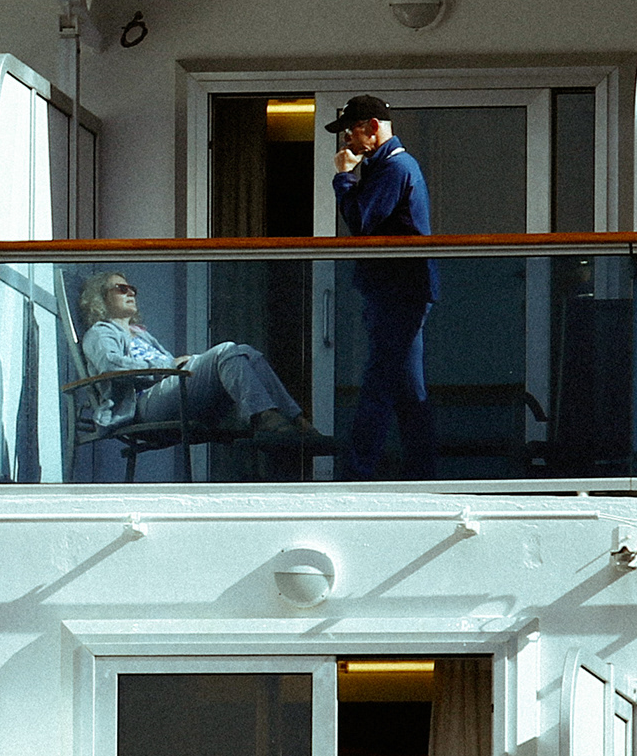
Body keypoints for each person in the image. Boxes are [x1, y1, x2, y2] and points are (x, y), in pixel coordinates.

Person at [70, 272, 313, 453]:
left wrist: (182, 364)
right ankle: (264, 418)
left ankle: (297, 420)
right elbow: (111, 366)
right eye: (121, 288)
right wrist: (170, 366)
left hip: (170, 394)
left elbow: (170, 366)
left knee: (247, 353)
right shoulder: (100, 332)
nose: (131, 293)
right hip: (141, 406)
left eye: (132, 288)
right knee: (226, 350)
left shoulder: (141, 334)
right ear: (101, 297)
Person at [329, 92, 439, 479]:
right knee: (407, 390)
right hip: (400, 291)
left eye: (350, 131)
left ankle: (356, 475)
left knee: (379, 384)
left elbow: (361, 221)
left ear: (373, 127)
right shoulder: (391, 166)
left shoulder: (395, 167)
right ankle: (423, 474)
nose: (346, 139)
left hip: (398, 293)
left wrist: (344, 178)